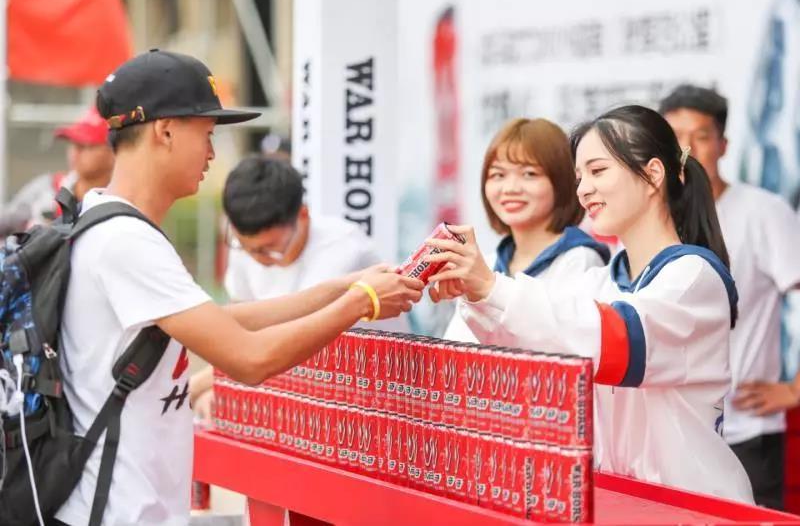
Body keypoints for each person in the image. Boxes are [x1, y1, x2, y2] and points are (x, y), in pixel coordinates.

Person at [54, 49, 422, 525]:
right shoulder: (127, 242)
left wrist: (342, 287)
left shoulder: (108, 222)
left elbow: (221, 320)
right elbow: (249, 359)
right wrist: (362, 301)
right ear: (165, 131)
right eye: (207, 134)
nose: (212, 154)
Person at [426, 105, 754, 503]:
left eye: (598, 171)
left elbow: (616, 340)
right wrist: (477, 293)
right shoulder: (599, 281)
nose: (583, 190)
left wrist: (491, 286)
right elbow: (529, 353)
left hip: (694, 504)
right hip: (626, 501)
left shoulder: (692, 276)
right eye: (580, 177)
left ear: (653, 174)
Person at [661, 84, 800, 510]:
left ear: (722, 145)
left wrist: (796, 389)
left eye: (700, 136)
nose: (686, 149)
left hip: (746, 434)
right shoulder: (653, 216)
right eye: (675, 137)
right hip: (670, 436)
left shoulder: (763, 211)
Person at [190, 155, 410, 419]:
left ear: (303, 216)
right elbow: (239, 330)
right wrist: (216, 388)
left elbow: (282, 343)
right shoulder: (245, 249)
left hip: (371, 391)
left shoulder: (344, 251)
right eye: (245, 247)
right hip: (296, 388)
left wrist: (194, 387)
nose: (257, 258)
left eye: (269, 249)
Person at [443, 118, 609, 342]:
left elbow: (564, 348)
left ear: (562, 182)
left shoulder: (580, 261)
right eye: (498, 175)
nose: (510, 188)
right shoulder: (488, 264)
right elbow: (456, 347)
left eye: (529, 174)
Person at [0, 106, 113, 235]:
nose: (75, 152)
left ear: (113, 152)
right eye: (73, 143)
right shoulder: (47, 188)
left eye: (86, 145)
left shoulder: (120, 202)